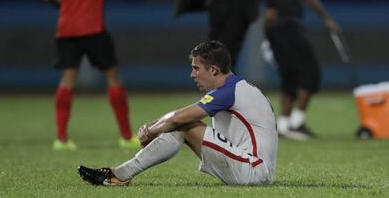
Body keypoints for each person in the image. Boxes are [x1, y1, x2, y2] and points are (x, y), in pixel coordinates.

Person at [43, 0, 163, 150]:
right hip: (92, 26)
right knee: (112, 77)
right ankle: (126, 135)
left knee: (67, 81)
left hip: (66, 27)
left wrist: (67, 7)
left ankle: (61, 139)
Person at [78, 40, 278, 186]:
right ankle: (119, 174)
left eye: (196, 68)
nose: (192, 74)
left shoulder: (228, 91)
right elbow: (179, 115)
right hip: (254, 168)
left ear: (214, 70)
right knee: (181, 123)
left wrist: (150, 131)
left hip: (253, 170)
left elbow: (179, 118)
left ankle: (119, 175)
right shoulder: (234, 88)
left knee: (184, 125)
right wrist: (155, 127)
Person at [264, 0, 339, 140]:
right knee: (311, 72)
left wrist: (268, 8)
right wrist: (326, 18)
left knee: (288, 74)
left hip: (271, 25)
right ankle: (297, 123)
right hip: (288, 23)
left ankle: (284, 124)